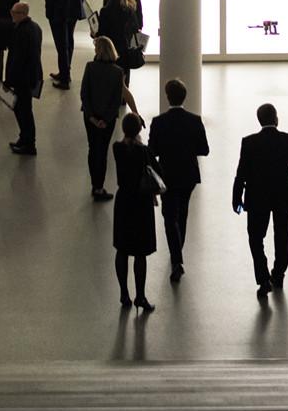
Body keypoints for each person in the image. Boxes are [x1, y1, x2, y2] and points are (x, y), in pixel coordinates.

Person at [232, 102, 288, 298]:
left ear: (259, 120)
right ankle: (278, 274)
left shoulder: (249, 143)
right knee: (282, 238)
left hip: (257, 199)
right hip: (284, 198)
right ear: (276, 118)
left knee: (256, 238)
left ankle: (263, 279)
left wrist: (237, 199)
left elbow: (241, 174)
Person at [149, 77, 209, 282]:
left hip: (167, 174)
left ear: (167, 97)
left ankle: (177, 259)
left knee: (169, 216)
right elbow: (204, 149)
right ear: (185, 97)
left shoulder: (158, 122)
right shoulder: (195, 120)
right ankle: (178, 252)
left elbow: (152, 151)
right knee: (182, 213)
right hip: (188, 174)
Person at [80, 37, 141, 202]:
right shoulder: (118, 72)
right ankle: (99, 187)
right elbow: (116, 101)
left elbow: (84, 95)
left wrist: (92, 117)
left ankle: (95, 184)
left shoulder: (90, 67)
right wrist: (105, 120)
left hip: (89, 118)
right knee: (103, 150)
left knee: (93, 148)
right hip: (107, 120)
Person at [112, 112, 157, 313]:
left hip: (123, 201)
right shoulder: (144, 151)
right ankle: (140, 296)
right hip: (141, 203)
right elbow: (157, 172)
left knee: (122, 249)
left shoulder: (117, 148)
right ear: (139, 130)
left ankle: (124, 293)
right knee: (140, 253)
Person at [44, 0, 85, 90]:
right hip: (73, 13)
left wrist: (49, 15)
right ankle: (65, 71)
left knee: (61, 46)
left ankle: (65, 79)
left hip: (58, 17)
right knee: (69, 42)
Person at [5, 2, 43, 156]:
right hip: (31, 76)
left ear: (23, 14)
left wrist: (9, 80)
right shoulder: (35, 28)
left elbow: (18, 58)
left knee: (24, 111)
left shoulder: (22, 31)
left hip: (22, 78)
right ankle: (24, 138)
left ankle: (29, 144)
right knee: (22, 109)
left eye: (14, 12)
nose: (12, 14)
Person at [97, 0, 139, 82]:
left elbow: (102, 34)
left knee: (110, 81)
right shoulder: (129, 10)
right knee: (124, 81)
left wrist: (94, 34)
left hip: (109, 52)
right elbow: (135, 29)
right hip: (125, 51)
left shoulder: (105, 11)